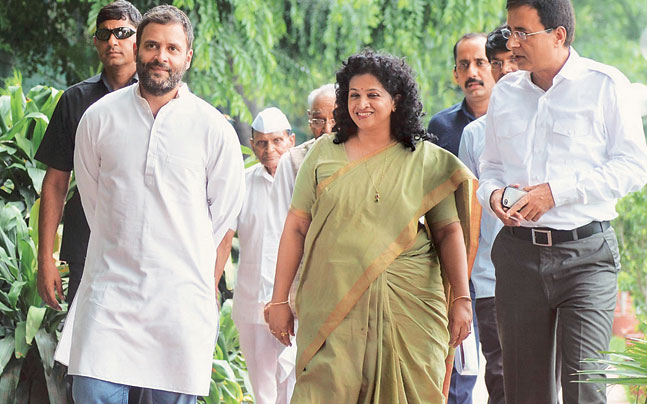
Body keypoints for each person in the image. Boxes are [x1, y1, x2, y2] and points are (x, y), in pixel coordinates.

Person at [54, 5, 245, 403]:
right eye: (153, 45)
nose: (162, 56)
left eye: (173, 48)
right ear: (138, 48)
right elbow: (94, 201)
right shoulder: (98, 118)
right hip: (109, 295)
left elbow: (223, 220)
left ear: (188, 56)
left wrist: (201, 289)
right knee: (92, 390)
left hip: (178, 303)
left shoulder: (213, 129)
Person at [268, 49, 479, 403]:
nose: (361, 104)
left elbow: (448, 231)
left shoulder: (424, 159)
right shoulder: (323, 154)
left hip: (410, 308)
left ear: (396, 101)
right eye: (353, 95)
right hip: (332, 305)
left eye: (372, 95)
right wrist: (279, 300)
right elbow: (296, 228)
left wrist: (460, 297)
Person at [477, 1, 647, 403]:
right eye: (509, 31)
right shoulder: (506, 94)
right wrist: (494, 195)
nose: (511, 43)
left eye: (523, 33)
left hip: (586, 257)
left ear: (559, 34)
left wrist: (557, 192)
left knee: (585, 389)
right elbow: (490, 167)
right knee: (525, 393)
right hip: (518, 257)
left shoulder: (605, 85)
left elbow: (634, 166)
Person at [36, 0, 140, 311]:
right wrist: (45, 260)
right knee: (86, 340)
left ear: (139, 39)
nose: (113, 41)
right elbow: (55, 184)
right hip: (87, 242)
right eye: (104, 34)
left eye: (122, 33)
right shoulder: (75, 100)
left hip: (145, 243)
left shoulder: (160, 100)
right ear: (95, 42)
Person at [428, 31, 496, 404]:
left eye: (481, 62)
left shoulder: (517, 120)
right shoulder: (441, 129)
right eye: (464, 65)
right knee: (455, 370)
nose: (473, 72)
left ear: (498, 65)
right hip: (456, 266)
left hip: (502, 267)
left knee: (504, 369)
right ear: (455, 74)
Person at [458, 26, 518, 404]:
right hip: (490, 276)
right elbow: (468, 213)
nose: (505, 70)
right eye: (497, 63)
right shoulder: (474, 135)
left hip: (548, 269)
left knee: (551, 371)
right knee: (498, 371)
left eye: (510, 60)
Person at [233, 107, 296, 404]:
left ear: (291, 141)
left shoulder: (304, 183)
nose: (269, 149)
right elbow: (221, 238)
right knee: (263, 392)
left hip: (296, 306)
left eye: (276, 141)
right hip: (251, 304)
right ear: (252, 145)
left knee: (295, 386)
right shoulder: (241, 184)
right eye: (261, 142)